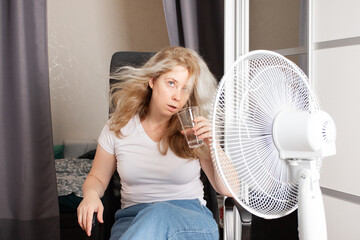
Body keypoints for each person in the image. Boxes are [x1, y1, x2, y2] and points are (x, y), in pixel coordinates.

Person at [77, 46, 231, 239]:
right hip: (132, 221)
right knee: (154, 215)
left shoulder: (194, 129)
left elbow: (228, 190)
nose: (177, 96)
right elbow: (97, 178)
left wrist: (213, 144)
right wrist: (90, 195)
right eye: (171, 83)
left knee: (160, 212)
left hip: (191, 220)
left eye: (185, 89)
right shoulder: (118, 126)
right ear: (153, 81)